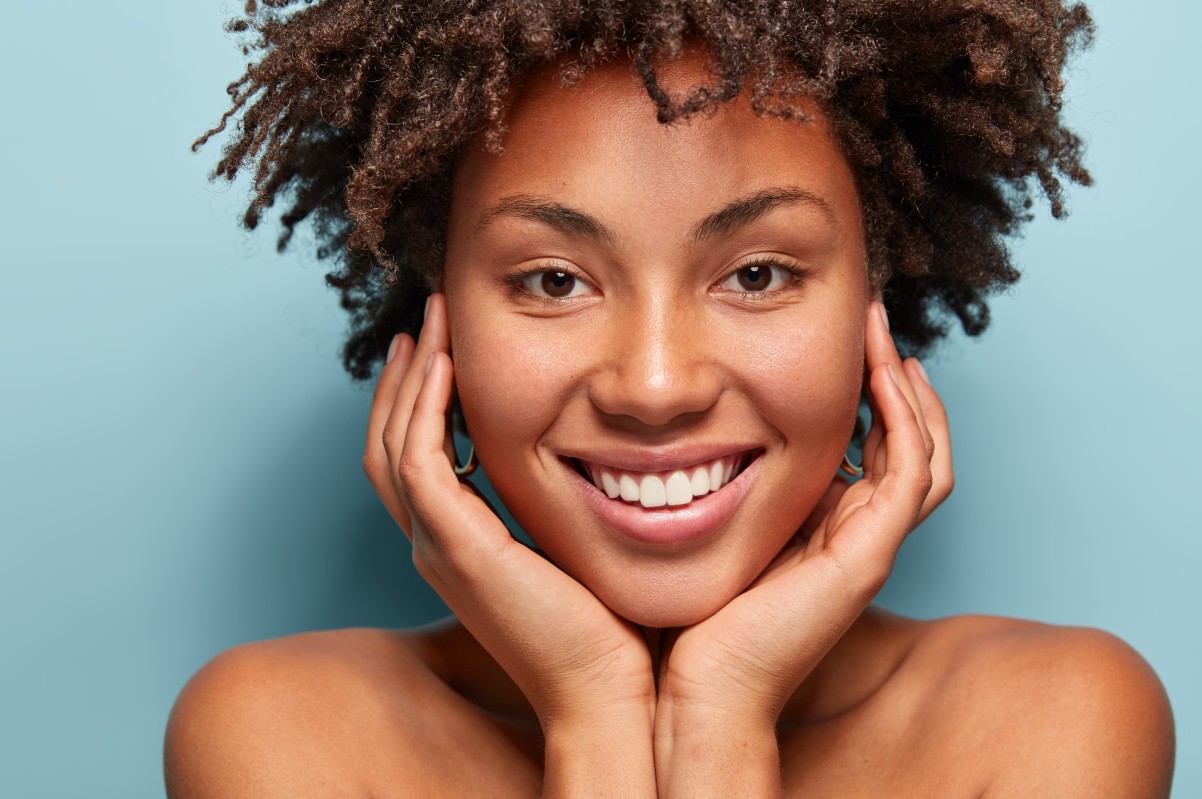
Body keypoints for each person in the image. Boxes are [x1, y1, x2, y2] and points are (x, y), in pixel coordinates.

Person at [165, 1, 1175, 795]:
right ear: (440, 328)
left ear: (875, 301)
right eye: (553, 280)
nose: (654, 387)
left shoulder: (1057, 721)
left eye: (757, 273)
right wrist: (593, 708)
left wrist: (720, 712)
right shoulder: (277, 735)